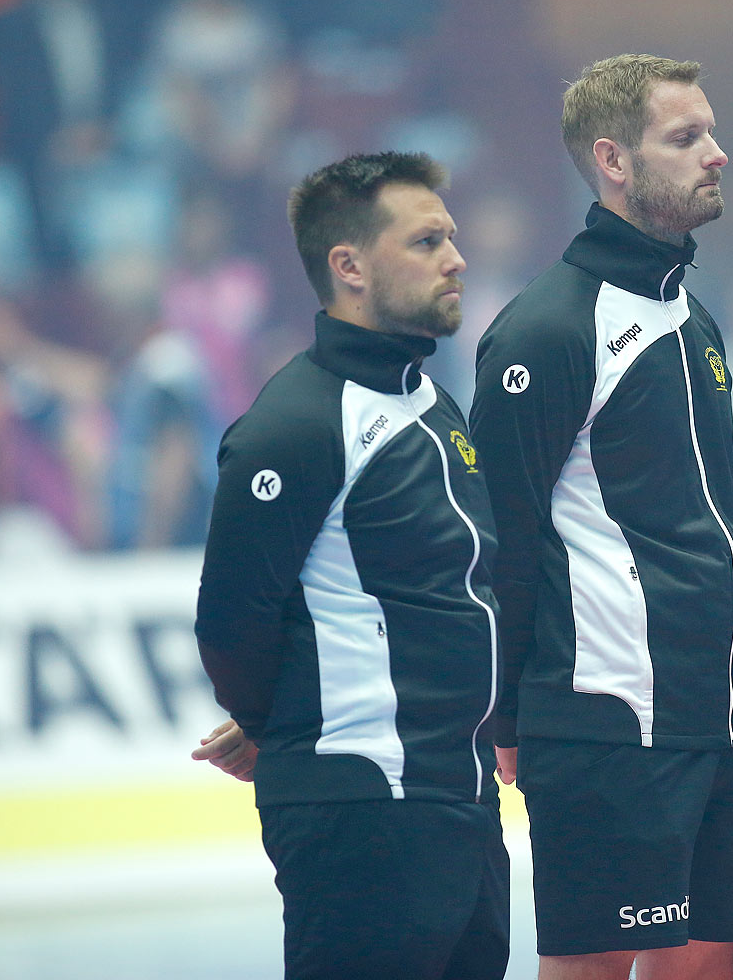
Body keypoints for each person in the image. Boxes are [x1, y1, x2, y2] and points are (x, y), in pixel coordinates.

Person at [468, 54, 733, 980]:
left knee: (703, 965)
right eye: (686, 137)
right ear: (613, 159)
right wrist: (506, 711)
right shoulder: (547, 330)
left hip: (711, 707)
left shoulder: (692, 317)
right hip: (605, 720)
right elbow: (501, 537)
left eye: (712, 131)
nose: (717, 153)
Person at [192, 151, 509, 980]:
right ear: (350, 266)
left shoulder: (434, 404)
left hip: (462, 805)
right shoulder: (292, 426)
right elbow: (230, 623)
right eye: (428, 241)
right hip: (362, 812)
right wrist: (291, 728)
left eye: (452, 237)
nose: (457, 258)